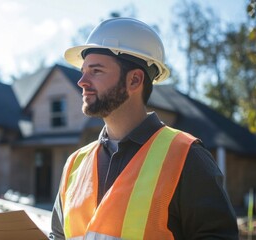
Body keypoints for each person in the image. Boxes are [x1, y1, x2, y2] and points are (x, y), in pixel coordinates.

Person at [50, 18, 238, 240]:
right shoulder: (75, 163)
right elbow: (58, 235)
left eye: (96, 71)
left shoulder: (186, 155)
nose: (82, 81)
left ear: (134, 80)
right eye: (83, 71)